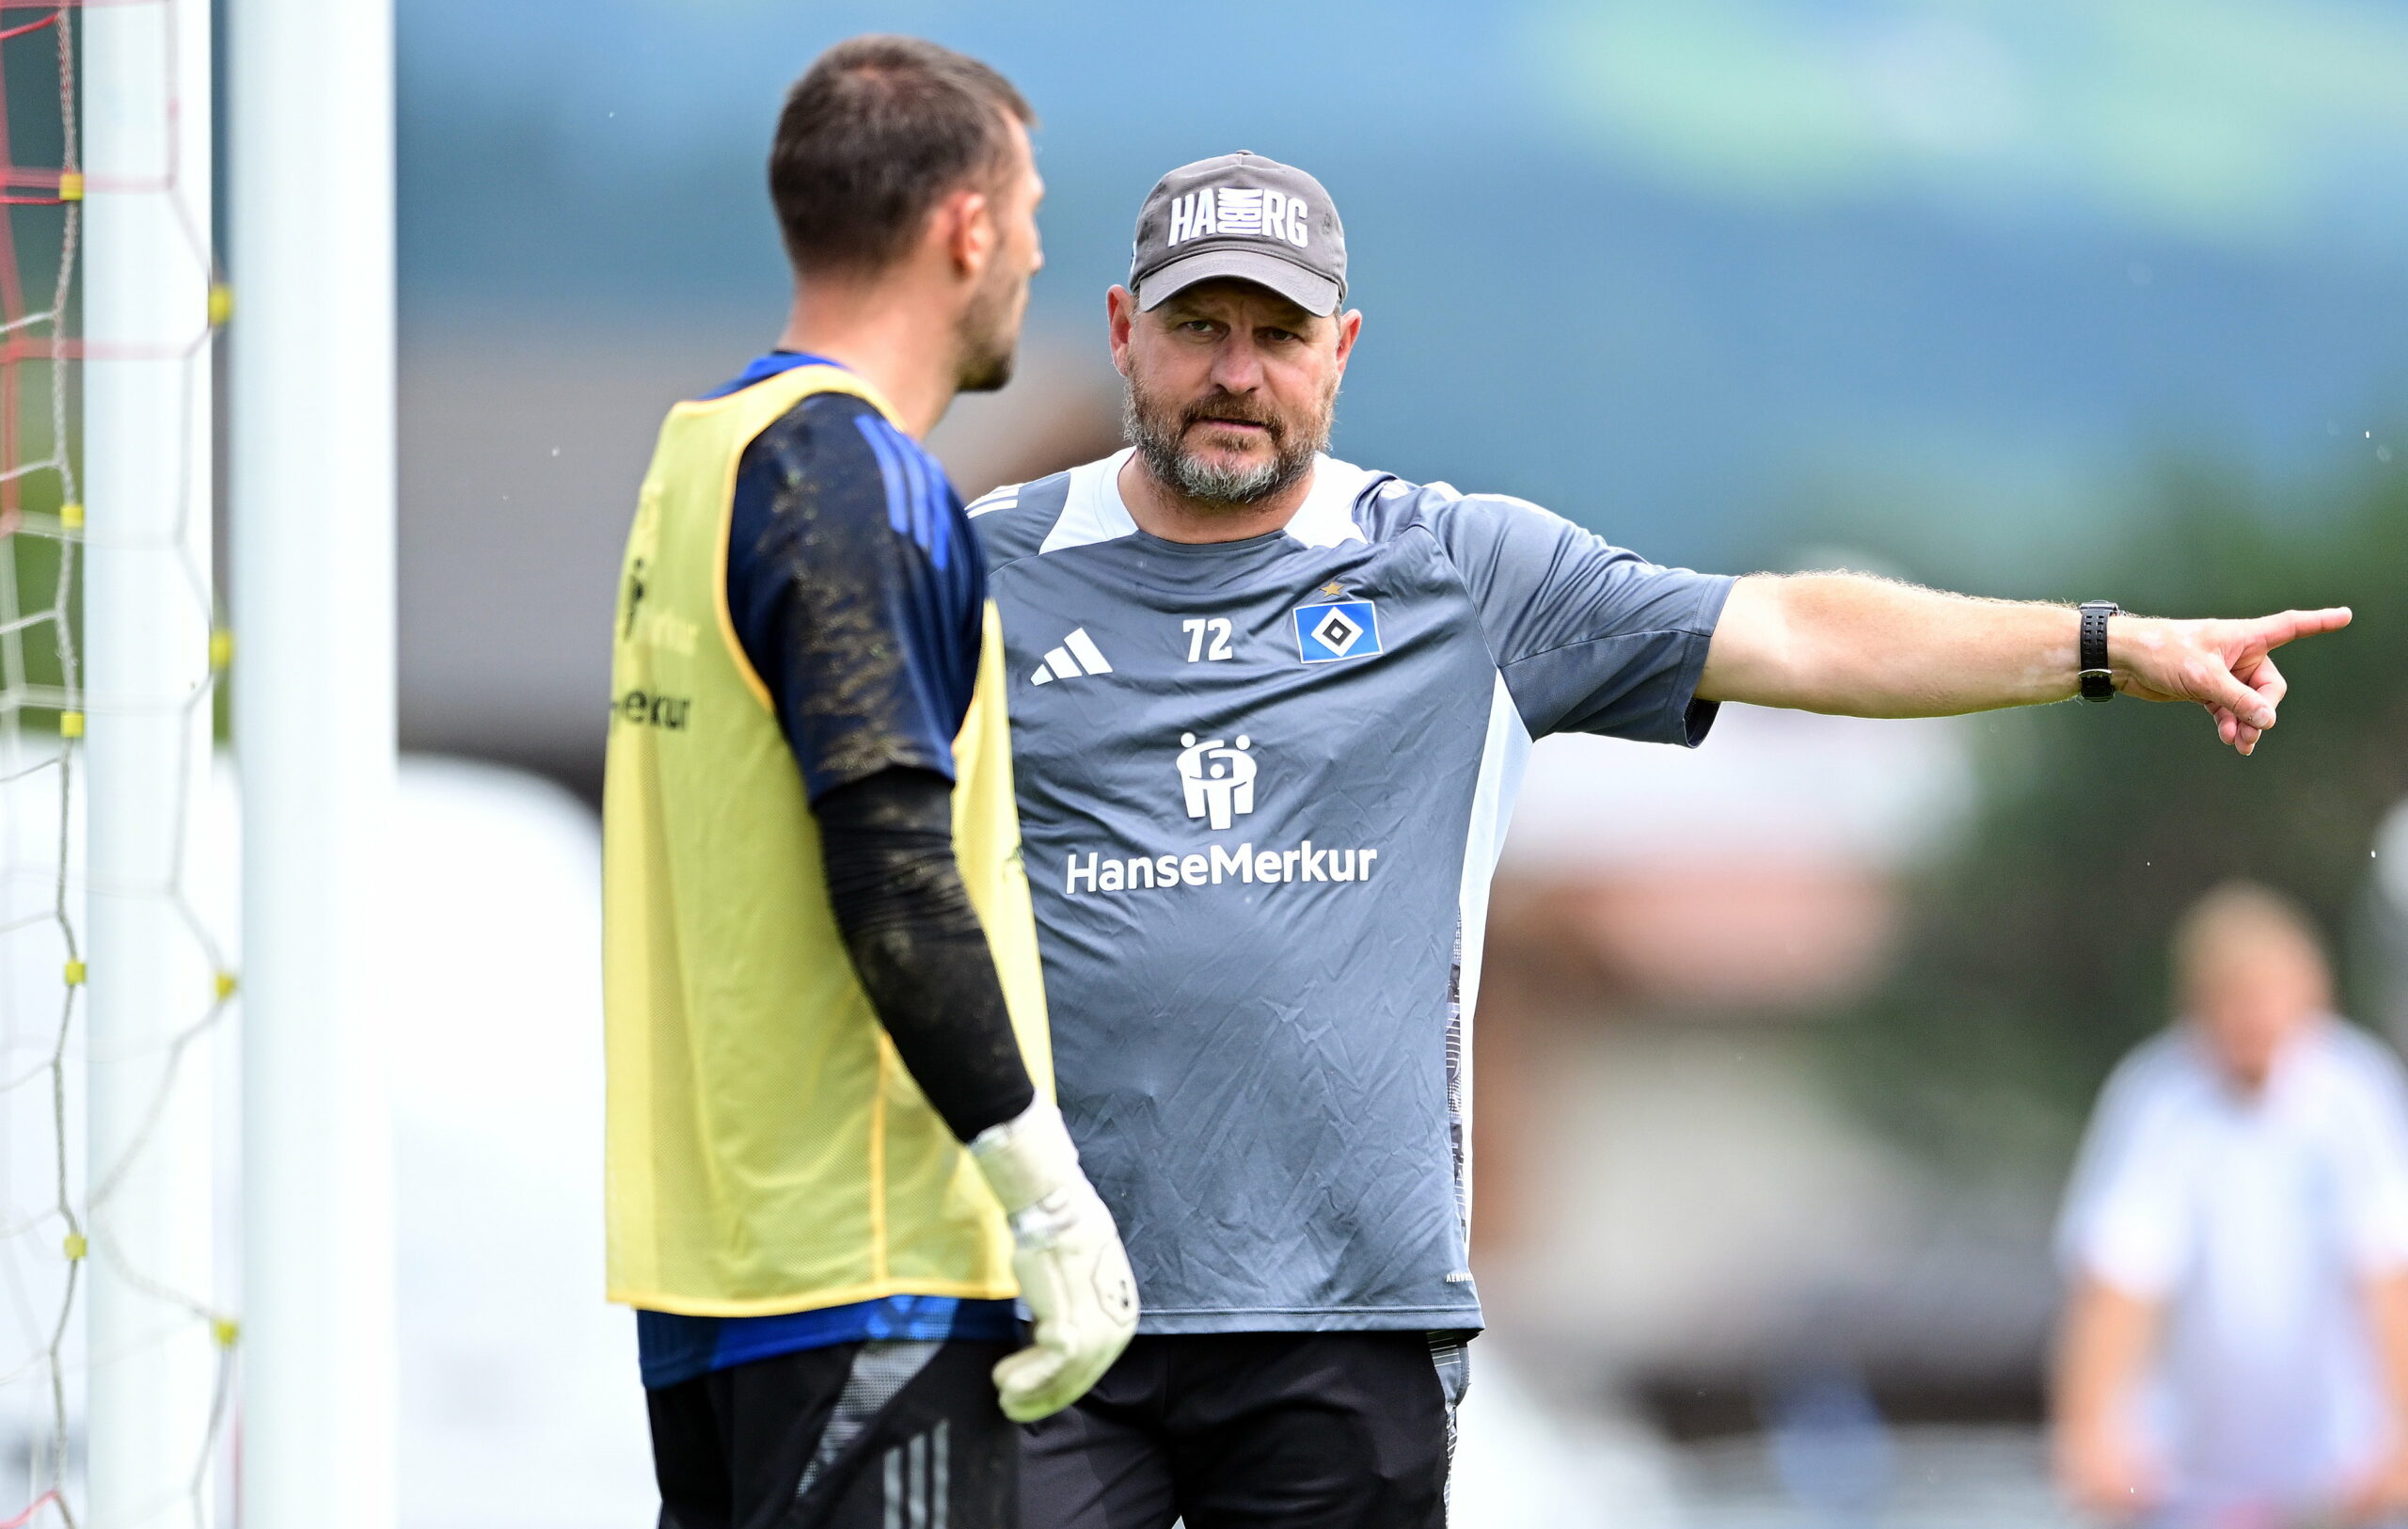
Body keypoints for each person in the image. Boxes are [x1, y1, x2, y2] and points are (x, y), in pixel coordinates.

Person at [962, 150, 2355, 1527]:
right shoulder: (975, 569)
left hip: (1347, 1319)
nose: (1236, 372)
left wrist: (2114, 646)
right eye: (1199, 326)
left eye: (1279, 334)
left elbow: (1801, 631)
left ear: (1343, 353)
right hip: (1054, 1297)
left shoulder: (1457, 570)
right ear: (1120, 331)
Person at [600, 38, 1135, 1529]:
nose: (1035, 247)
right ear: (964, 227)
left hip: (720, 1261)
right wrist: (1045, 1196)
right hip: (872, 1261)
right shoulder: (867, 484)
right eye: (1028, 208)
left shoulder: (701, 459)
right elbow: (895, 870)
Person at [2053, 883, 2408, 1526]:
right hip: (2186, 1474)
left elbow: (2387, 1276)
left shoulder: (2356, 1093)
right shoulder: (2157, 1099)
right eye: (2235, 999)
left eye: (2269, 997)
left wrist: (2402, 1434)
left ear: (2314, 996)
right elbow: (2117, 1277)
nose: (2255, 1019)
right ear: (2194, 1005)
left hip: (2336, 1467)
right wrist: (2089, 1432)